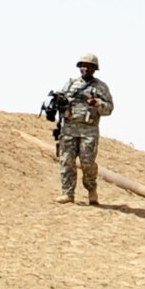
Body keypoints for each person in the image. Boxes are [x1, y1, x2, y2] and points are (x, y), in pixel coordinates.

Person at [52, 53, 114, 204]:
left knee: (87, 163)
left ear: (94, 68)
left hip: (89, 131)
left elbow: (109, 109)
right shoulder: (70, 84)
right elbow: (61, 103)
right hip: (69, 129)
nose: (85, 68)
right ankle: (68, 194)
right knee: (66, 161)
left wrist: (97, 103)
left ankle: (91, 189)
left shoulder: (100, 87)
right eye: (82, 65)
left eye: (88, 66)